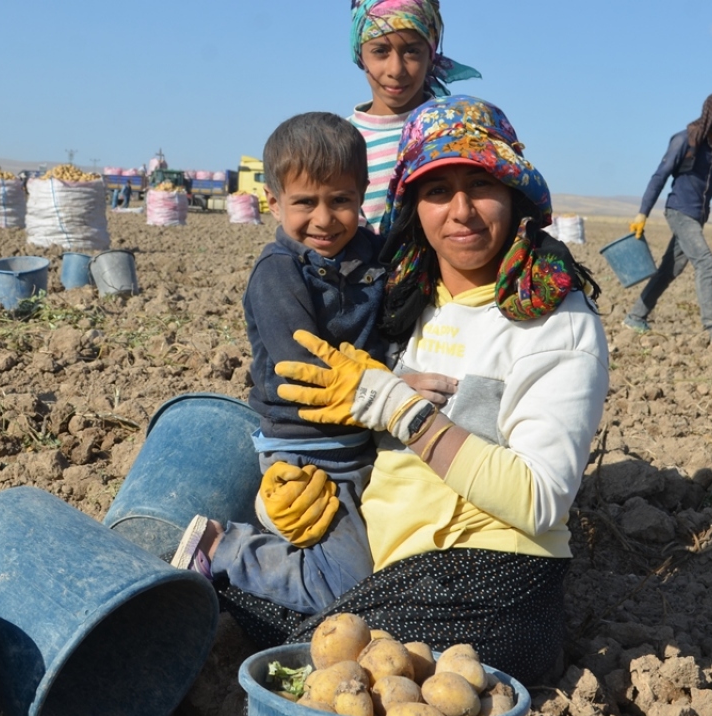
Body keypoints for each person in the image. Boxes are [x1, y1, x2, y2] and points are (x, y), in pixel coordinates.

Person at [209, 96, 609, 685]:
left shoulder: (554, 320)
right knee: (240, 618)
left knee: (326, 666)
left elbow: (541, 499)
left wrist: (400, 406)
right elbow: (332, 415)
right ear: (412, 206)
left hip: (488, 576)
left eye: (482, 184)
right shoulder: (401, 300)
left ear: (515, 193)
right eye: (438, 190)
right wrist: (283, 502)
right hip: (384, 567)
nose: (461, 211)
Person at [170, 112, 399, 616]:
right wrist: (392, 385)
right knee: (346, 588)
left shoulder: (374, 255)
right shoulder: (277, 274)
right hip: (309, 449)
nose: (324, 218)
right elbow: (303, 370)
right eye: (305, 203)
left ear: (363, 195)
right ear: (273, 202)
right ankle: (222, 548)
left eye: (340, 200)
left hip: (364, 437)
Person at [624, 93, 712, 336]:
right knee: (705, 262)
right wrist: (642, 214)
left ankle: (635, 316)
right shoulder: (685, 140)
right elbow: (660, 175)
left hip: (697, 217)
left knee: (669, 269)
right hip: (679, 212)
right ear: (710, 114)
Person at [349, 0, 480, 231]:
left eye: (412, 51)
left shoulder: (457, 130)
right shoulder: (340, 141)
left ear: (431, 56)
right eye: (380, 51)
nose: (396, 70)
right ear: (359, 55)